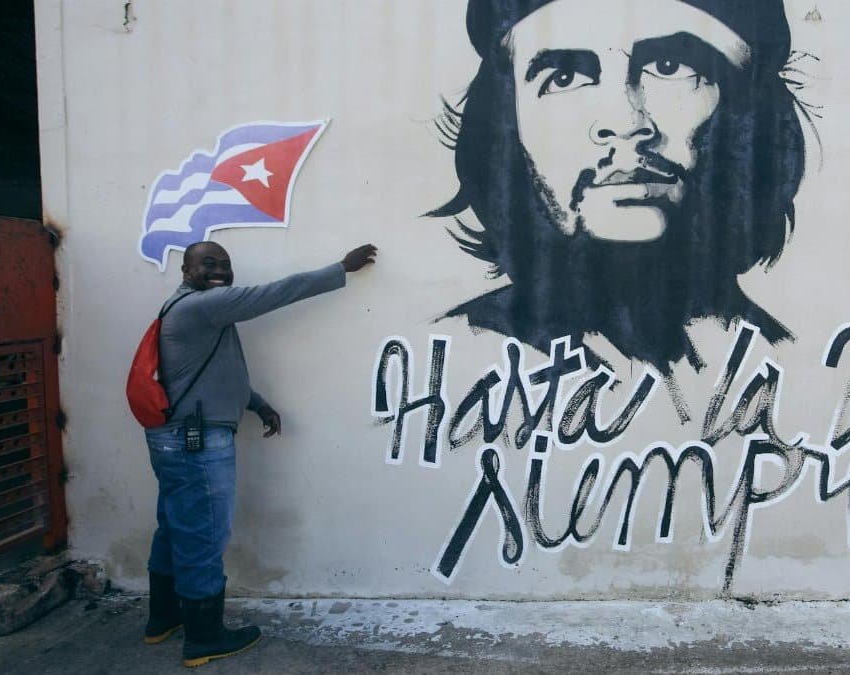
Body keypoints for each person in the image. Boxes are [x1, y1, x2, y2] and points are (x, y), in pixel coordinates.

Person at [431, 0, 808, 374]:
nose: (626, 121)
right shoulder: (464, 352)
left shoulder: (791, 367)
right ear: (504, 121)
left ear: (754, 111)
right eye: (564, 78)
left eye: (669, 67)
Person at [142, 241, 377, 667]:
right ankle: (204, 636)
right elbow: (276, 293)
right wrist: (340, 268)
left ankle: (163, 618)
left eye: (224, 264)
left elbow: (210, 374)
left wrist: (257, 403)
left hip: (176, 436)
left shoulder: (186, 308)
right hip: (196, 441)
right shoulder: (202, 305)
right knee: (202, 534)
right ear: (185, 270)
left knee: (175, 528)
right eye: (207, 263)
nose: (218, 270)